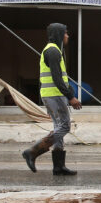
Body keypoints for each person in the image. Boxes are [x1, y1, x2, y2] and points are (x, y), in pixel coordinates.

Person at [21, 23, 82, 175]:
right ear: (59, 34)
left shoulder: (52, 50)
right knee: (65, 127)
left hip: (51, 94)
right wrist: (71, 97)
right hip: (54, 94)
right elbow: (56, 78)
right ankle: (33, 151)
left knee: (58, 126)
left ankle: (58, 167)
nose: (68, 36)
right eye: (66, 33)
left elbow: (60, 77)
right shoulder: (54, 51)